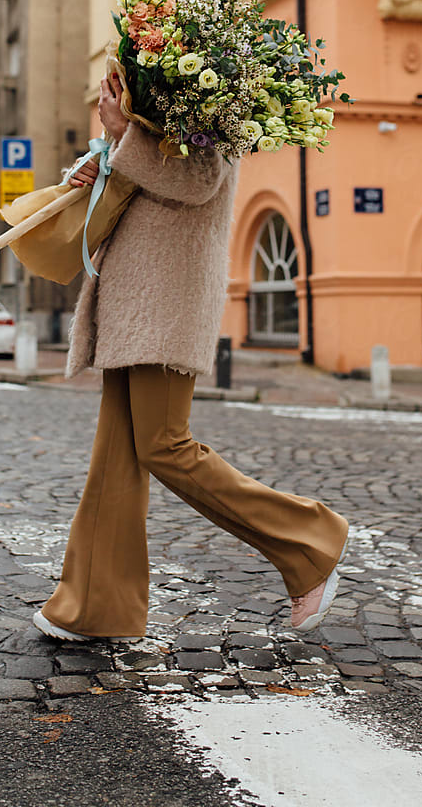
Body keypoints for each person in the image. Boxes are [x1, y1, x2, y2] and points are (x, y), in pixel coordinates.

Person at [32, 72, 349, 641]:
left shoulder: (207, 86)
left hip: (165, 298)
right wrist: (106, 154)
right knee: (117, 457)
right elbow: (141, 172)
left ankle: (310, 541)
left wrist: (123, 133)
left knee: (163, 444)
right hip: (135, 300)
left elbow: (199, 179)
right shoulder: (163, 81)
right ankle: (97, 606)